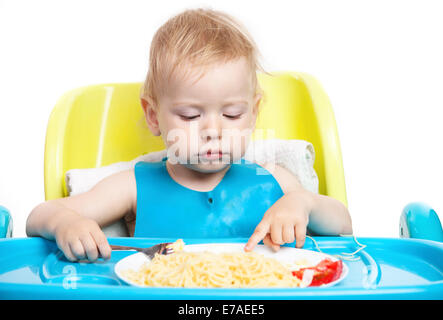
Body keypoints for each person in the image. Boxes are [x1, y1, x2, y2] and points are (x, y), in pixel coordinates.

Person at [26, 8, 352, 262]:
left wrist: (303, 203)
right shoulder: (133, 186)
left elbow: (344, 226)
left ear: (253, 114)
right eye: (191, 116)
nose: (213, 130)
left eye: (232, 114)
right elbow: (40, 216)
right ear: (154, 116)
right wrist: (65, 225)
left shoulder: (274, 181)